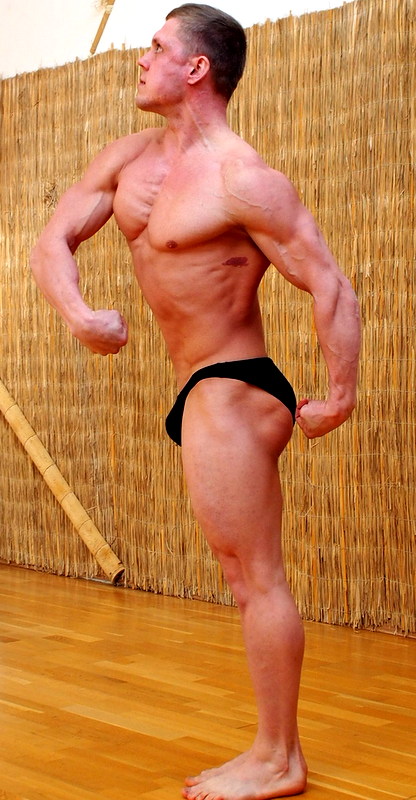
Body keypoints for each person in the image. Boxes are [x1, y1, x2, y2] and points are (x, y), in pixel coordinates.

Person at [30, 4, 360, 798]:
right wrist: (78, 314)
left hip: (235, 383)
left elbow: (329, 283)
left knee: (254, 577)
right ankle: (274, 753)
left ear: (196, 68)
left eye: (156, 48)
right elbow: (52, 240)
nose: (141, 60)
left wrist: (339, 394)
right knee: (242, 573)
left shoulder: (243, 179)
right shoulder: (128, 159)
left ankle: (278, 759)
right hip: (199, 386)